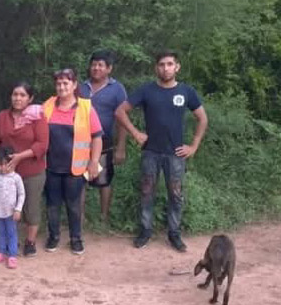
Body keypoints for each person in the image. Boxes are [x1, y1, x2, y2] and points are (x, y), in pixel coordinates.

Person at [115, 50, 208, 252]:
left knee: (176, 194)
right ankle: (145, 230)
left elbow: (203, 118)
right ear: (156, 68)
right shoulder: (147, 90)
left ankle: (174, 233)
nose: (165, 68)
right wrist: (136, 133)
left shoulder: (186, 92)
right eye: (162, 65)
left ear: (177, 67)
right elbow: (120, 111)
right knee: (147, 192)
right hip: (151, 152)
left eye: (169, 64)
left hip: (176, 154)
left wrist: (194, 145)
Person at [42, 68, 103, 255]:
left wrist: (94, 162)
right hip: (50, 166)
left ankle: (76, 238)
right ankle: (53, 236)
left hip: (75, 168)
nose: (61, 87)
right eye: (58, 83)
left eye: (65, 83)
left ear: (74, 85)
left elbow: (97, 137)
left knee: (74, 205)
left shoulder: (86, 107)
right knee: (52, 204)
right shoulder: (48, 105)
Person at [0, 81, 49, 257]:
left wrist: (20, 156)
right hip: (6, 172)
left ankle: (30, 242)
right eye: (15, 94)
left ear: (30, 98)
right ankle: (9, 239)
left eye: (22, 95)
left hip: (32, 170)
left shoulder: (38, 117)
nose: (18, 98)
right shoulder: (2, 117)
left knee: (31, 207)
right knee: (7, 206)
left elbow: (42, 145)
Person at [79, 50, 128, 221]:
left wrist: (121, 147)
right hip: (80, 142)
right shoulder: (81, 87)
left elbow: (122, 119)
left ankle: (103, 217)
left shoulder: (117, 89)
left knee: (104, 179)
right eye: (93, 64)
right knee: (80, 179)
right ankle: (80, 216)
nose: (96, 68)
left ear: (109, 69)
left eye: (100, 65)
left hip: (105, 140)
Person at [0, 146, 26, 269]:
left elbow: (22, 194)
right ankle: (1, 252)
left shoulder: (16, 178)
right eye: (0, 164)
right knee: (1, 232)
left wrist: (18, 209)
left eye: (6, 164)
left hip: (11, 212)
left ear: (12, 163)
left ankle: (12, 255)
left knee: (11, 233)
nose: (3, 168)